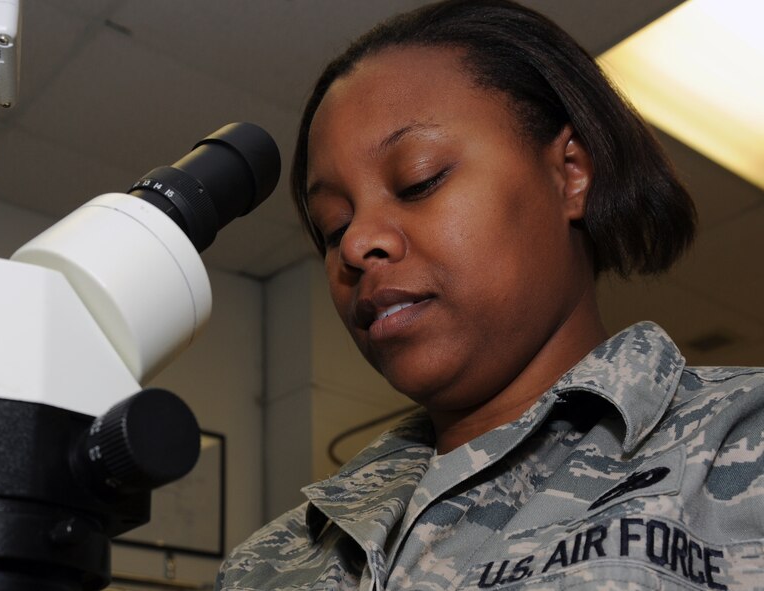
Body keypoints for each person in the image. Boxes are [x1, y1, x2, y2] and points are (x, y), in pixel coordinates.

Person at [216, 1, 764, 589]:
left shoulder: (740, 444)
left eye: (419, 180)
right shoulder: (263, 565)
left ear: (571, 173)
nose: (356, 244)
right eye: (333, 226)